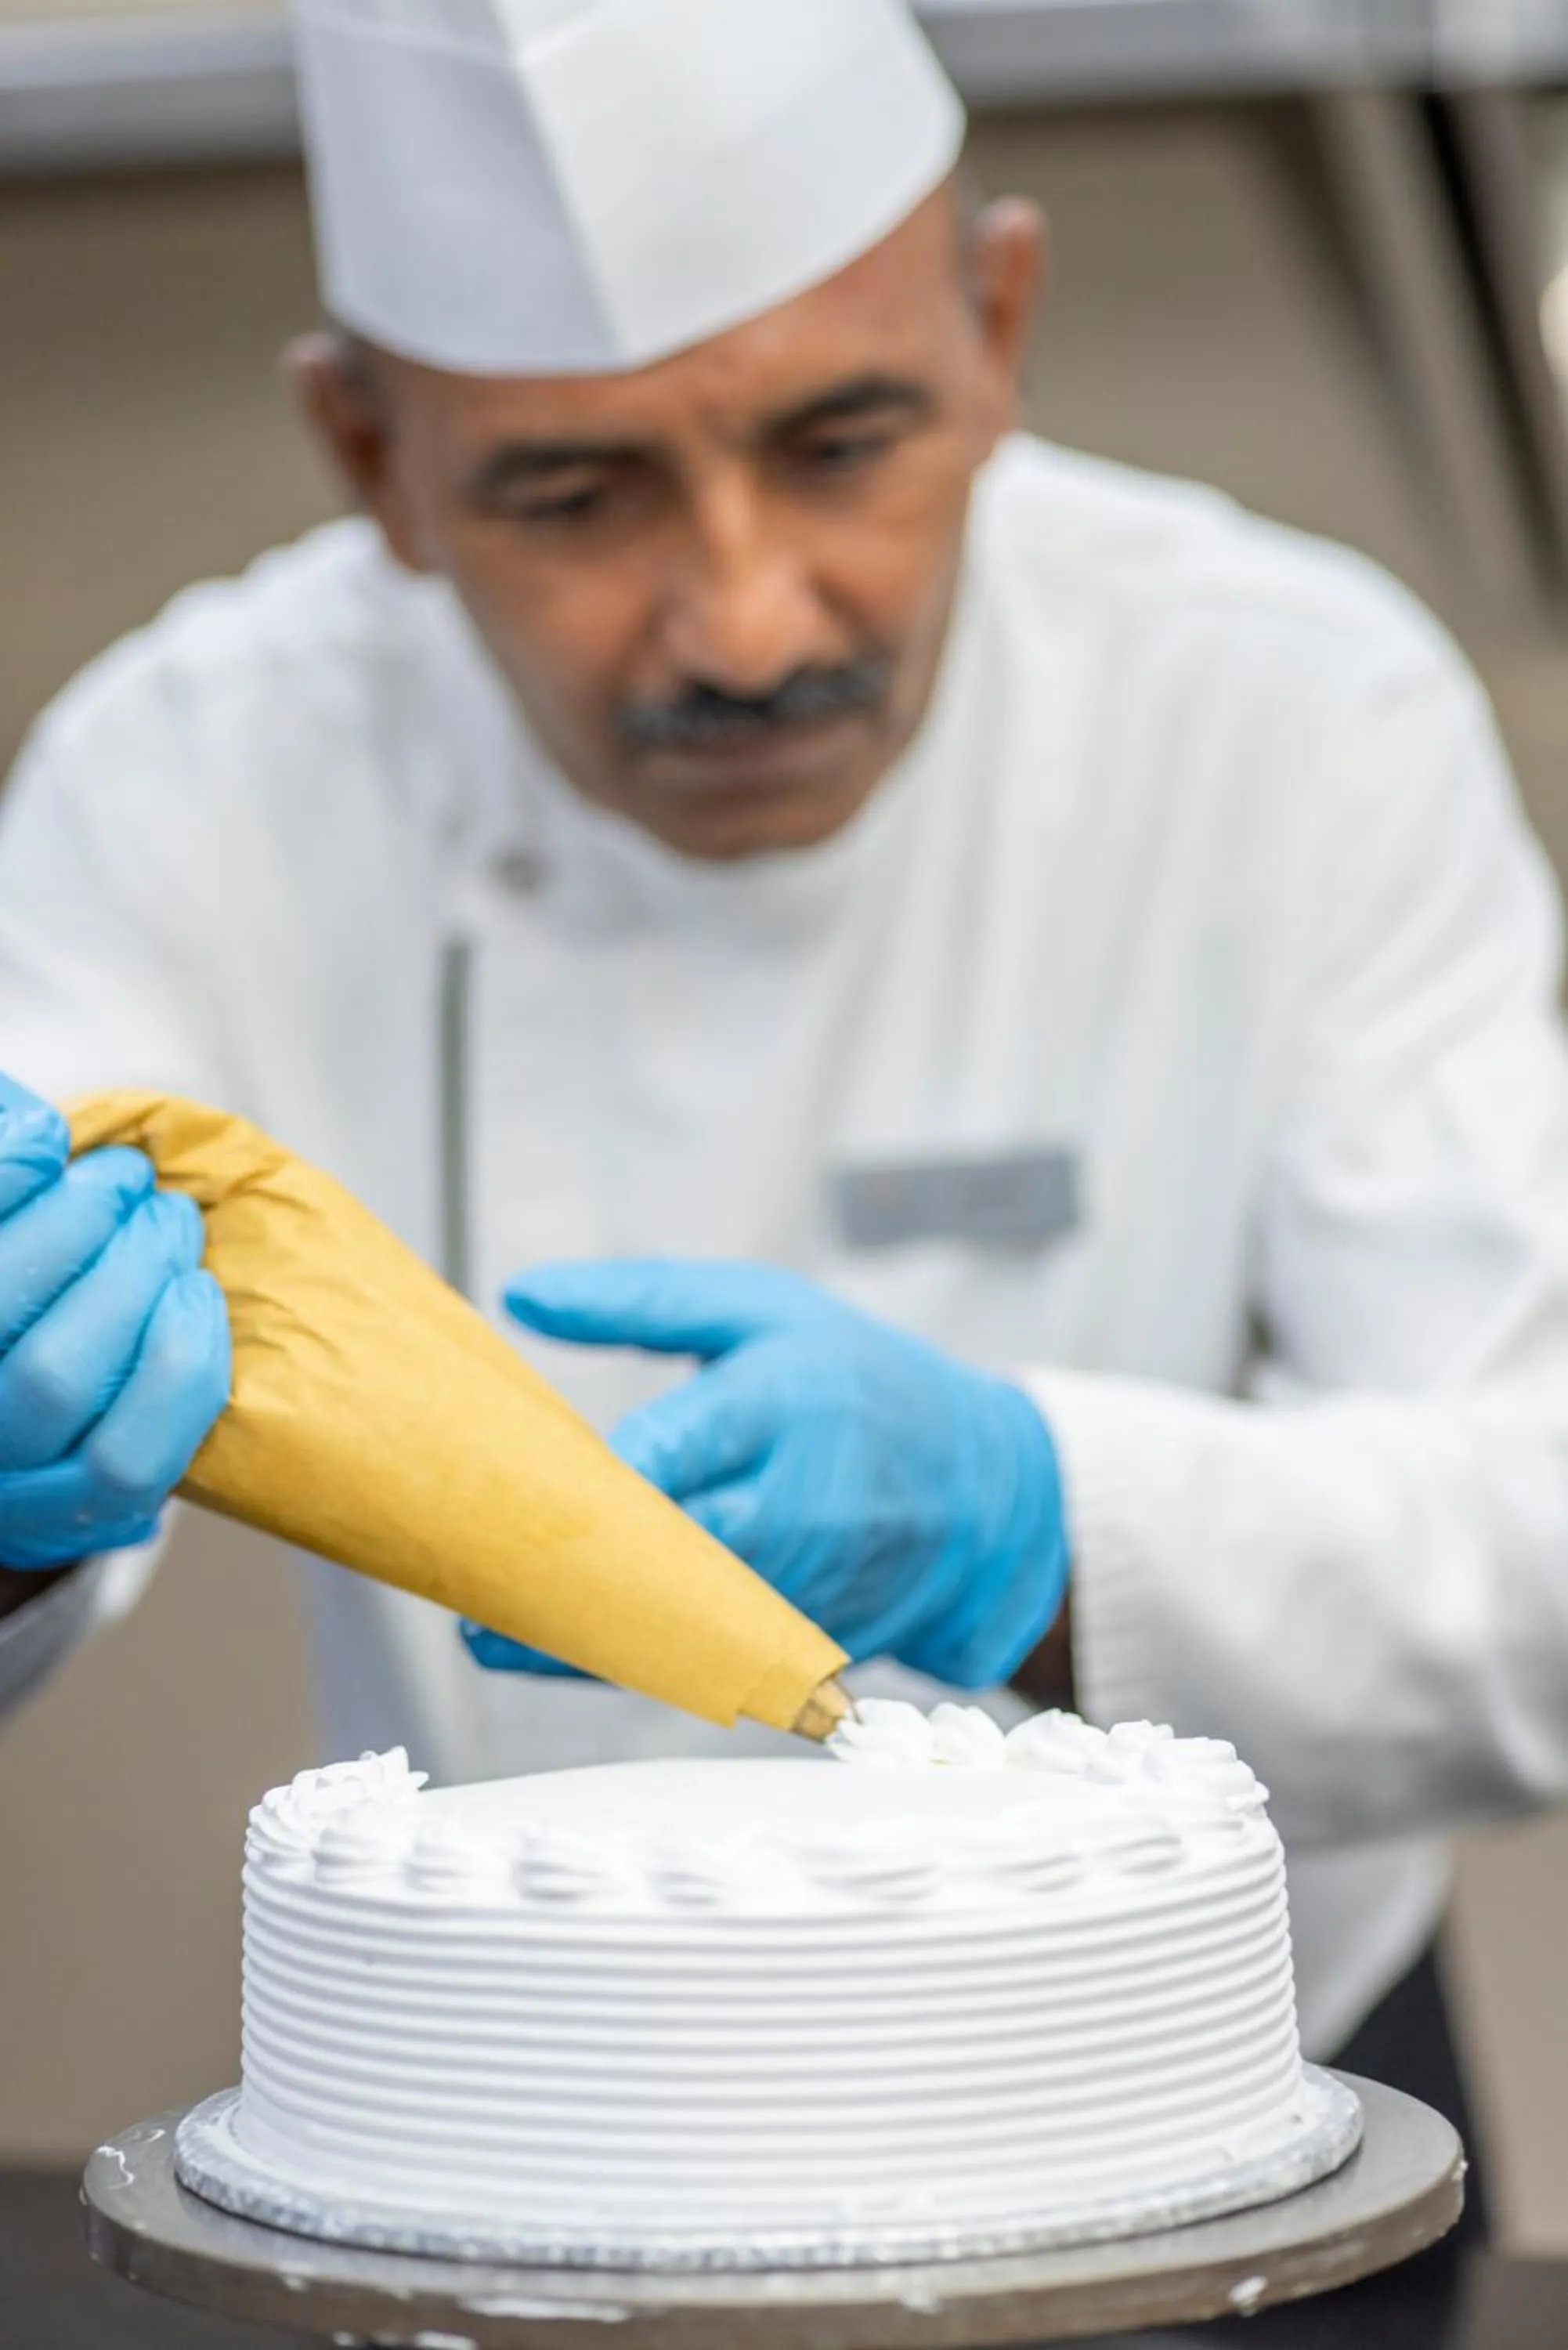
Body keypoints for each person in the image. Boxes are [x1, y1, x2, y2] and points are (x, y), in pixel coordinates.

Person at [1, 0, 1565, 2210]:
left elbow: (1540, 1545)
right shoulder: (186, 781)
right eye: (570, 491)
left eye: (846, 444)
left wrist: (1036, 1516)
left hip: (1227, 2114)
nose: (742, 622)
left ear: (1002, 324)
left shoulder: (1300, 713)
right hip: (538, 2137)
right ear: (372, 462)